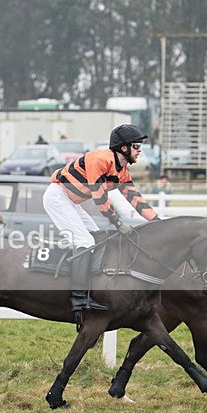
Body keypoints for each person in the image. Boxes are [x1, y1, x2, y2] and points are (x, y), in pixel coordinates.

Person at [43, 124, 159, 318]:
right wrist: (118, 223)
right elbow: (99, 197)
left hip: (70, 201)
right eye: (137, 146)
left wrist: (157, 221)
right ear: (124, 148)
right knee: (85, 242)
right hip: (57, 197)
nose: (140, 151)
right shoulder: (99, 160)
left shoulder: (122, 171)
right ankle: (78, 299)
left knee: (96, 238)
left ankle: (91, 289)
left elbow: (136, 199)